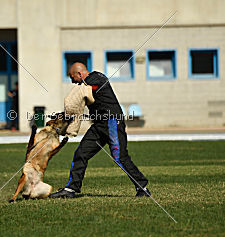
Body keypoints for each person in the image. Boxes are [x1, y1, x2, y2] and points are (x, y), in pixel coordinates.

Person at [49, 62, 150, 198]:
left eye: (72, 77)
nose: (72, 81)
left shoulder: (95, 79)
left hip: (112, 122)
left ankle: (142, 188)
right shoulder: (90, 84)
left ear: (79, 74)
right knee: (81, 153)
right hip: (99, 125)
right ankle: (71, 190)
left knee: (119, 157)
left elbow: (85, 93)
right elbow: (81, 104)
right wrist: (64, 115)